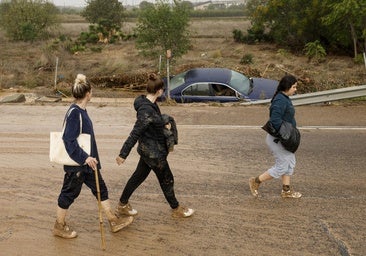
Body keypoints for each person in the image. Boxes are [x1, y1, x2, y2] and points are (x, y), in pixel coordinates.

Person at [53, 74, 134, 239]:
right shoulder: (75, 113)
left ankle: (113, 220)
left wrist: (90, 159)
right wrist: (85, 158)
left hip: (89, 164)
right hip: (78, 164)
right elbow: (68, 140)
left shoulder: (81, 110)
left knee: (101, 190)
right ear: (88, 93)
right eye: (91, 90)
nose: (92, 92)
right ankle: (59, 226)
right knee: (69, 194)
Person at [115, 73, 195, 218]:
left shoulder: (150, 104)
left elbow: (152, 122)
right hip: (154, 153)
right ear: (159, 91)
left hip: (148, 151)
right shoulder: (146, 111)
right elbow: (135, 133)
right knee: (167, 179)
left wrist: (163, 124)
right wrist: (123, 154)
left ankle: (122, 205)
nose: (163, 92)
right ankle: (176, 208)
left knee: (137, 177)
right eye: (163, 90)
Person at [249, 74, 302, 198]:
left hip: (282, 138)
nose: (295, 89)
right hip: (278, 139)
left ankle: (286, 191)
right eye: (294, 87)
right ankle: (255, 181)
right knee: (282, 167)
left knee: (289, 163)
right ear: (287, 87)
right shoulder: (280, 100)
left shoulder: (284, 97)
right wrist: (286, 136)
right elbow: (275, 121)